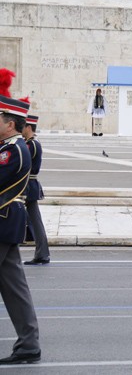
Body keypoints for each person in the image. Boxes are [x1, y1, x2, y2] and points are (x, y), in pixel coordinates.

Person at [0, 93, 41, 365]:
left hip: (2, 219)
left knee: (15, 287)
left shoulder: (12, 149)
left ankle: (29, 344)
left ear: (10, 124)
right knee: (15, 288)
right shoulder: (10, 145)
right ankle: (29, 344)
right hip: (7, 220)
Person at [22, 115, 50, 266]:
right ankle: (42, 253)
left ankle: (42, 254)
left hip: (29, 185)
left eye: (23, 127)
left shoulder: (31, 144)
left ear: (29, 127)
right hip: (29, 184)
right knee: (34, 220)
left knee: (34, 220)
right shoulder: (31, 143)